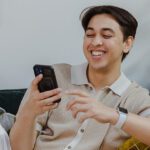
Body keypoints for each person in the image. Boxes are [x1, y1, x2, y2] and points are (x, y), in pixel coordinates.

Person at [9, 5, 150, 150]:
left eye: (107, 35)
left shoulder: (136, 97)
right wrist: (29, 112)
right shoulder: (57, 77)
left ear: (127, 44)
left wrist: (113, 116)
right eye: (90, 35)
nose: (95, 42)